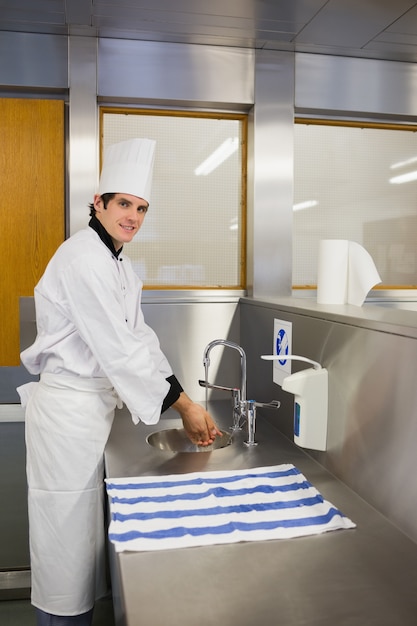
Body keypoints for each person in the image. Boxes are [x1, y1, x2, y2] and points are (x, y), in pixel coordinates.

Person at [17, 138, 222, 626]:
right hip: (67, 416)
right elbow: (118, 350)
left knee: (82, 546)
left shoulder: (119, 264)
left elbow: (141, 340)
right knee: (63, 549)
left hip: (90, 416)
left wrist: (182, 395)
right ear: (99, 203)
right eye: (124, 204)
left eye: (141, 208)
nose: (133, 216)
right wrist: (186, 407)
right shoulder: (84, 258)